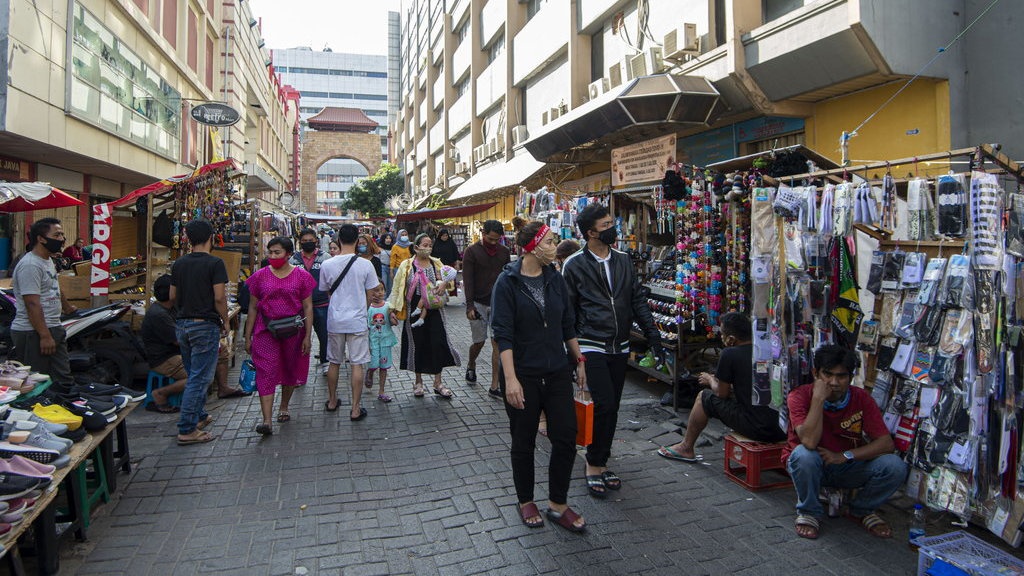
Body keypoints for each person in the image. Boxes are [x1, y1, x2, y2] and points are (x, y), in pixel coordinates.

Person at [491, 220, 588, 533]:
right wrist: (511, 379)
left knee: (566, 437)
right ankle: (525, 500)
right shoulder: (507, 283)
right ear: (532, 247)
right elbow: (502, 335)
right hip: (524, 374)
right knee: (524, 440)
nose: (554, 248)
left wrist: (579, 358)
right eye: (549, 243)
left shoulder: (555, 278)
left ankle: (558, 504)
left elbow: (567, 324)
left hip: (557, 371)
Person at [562, 203, 663, 498]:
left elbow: (637, 300)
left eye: (612, 223)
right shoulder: (574, 264)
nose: (613, 228)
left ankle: (601, 459)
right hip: (591, 343)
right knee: (603, 404)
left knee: (613, 406)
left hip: (619, 345)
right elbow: (567, 314)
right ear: (591, 232)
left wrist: (653, 335)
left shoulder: (622, 260)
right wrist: (573, 355)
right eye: (607, 225)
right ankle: (593, 463)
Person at [785, 345, 908, 540]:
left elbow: (886, 444)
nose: (834, 382)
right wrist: (818, 399)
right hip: (811, 465)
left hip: (845, 464)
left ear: (850, 377)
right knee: (803, 455)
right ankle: (809, 512)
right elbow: (809, 441)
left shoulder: (861, 398)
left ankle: (861, 510)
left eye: (841, 376)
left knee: (895, 466)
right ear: (816, 373)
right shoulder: (799, 396)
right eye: (827, 374)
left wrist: (844, 456)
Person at [656, 312, 784, 462]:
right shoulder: (767, 349)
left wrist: (710, 379)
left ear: (731, 339)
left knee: (704, 397)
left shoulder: (730, 353)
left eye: (722, 334)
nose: (720, 337)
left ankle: (686, 447)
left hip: (758, 427)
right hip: (780, 427)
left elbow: (721, 393)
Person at [243, 237, 316, 435]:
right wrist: (247, 336)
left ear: (289, 254)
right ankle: (266, 420)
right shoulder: (259, 276)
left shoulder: (301, 276)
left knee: (290, 368)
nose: (273, 256)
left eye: (277, 252)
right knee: (265, 370)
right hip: (265, 331)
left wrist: (308, 336)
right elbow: (252, 307)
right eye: (270, 252)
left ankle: (284, 405)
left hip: (294, 331)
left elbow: (308, 306)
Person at [170, 220, 230, 446]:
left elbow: (173, 296)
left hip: (182, 325)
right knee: (199, 378)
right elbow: (219, 297)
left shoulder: (179, 264)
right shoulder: (215, 263)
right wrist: (225, 320)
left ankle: (200, 416)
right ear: (210, 238)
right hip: (204, 325)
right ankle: (186, 428)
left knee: (193, 373)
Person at [388, 233, 460, 398]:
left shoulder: (437, 263)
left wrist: (444, 284)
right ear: (416, 247)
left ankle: (438, 382)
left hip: (435, 310)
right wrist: (391, 309)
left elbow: (449, 280)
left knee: (437, 342)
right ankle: (418, 382)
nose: (427, 248)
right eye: (424, 245)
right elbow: (397, 288)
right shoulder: (406, 266)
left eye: (430, 245)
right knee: (417, 343)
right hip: (413, 309)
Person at [319, 224, 380, 420]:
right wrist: (362, 307)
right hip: (357, 320)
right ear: (357, 241)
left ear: (338, 241)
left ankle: (331, 400)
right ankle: (355, 408)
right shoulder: (365, 264)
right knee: (357, 364)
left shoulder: (327, 264)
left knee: (334, 362)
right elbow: (371, 293)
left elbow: (326, 290)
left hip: (335, 319)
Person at [10, 218, 76, 386]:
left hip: (52, 326)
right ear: (41, 239)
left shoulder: (47, 260)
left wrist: (67, 307)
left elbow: (54, 286)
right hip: (33, 332)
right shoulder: (30, 265)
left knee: (62, 378)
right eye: (57, 234)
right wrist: (45, 336)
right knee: (37, 382)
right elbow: (31, 303)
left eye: (62, 234)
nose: (62, 239)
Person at [538, 238, 582, 436]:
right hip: (561, 336)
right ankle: (544, 417)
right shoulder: (558, 275)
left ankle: (556, 417)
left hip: (571, 333)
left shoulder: (564, 273)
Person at [461, 220, 510, 395]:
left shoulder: (504, 252)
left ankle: (494, 385)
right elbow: (468, 281)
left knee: (497, 343)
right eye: (490, 239)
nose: (494, 242)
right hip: (478, 303)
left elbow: (507, 277)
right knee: (479, 342)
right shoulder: (471, 252)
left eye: (497, 239)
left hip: (498, 303)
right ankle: (471, 363)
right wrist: (469, 306)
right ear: (483, 234)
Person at [140, 275, 186, 413]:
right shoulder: (159, 314)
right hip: (164, 359)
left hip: (174, 353)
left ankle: (223, 388)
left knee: (219, 353)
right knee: (199, 376)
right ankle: (161, 394)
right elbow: (178, 340)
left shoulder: (171, 308)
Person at [291, 228, 330, 374]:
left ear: (316, 241)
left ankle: (325, 361)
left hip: (322, 303)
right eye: (305, 241)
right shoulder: (294, 259)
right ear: (300, 242)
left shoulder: (325, 257)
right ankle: (298, 368)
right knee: (299, 337)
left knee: (324, 334)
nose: (308, 243)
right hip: (300, 306)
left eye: (311, 241)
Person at [366, 282, 397, 403]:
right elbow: (366, 325)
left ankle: (381, 391)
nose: (379, 293)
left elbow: (394, 322)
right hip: (373, 342)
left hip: (385, 341)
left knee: (384, 367)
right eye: (375, 290)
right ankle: (370, 372)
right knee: (373, 364)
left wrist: (393, 318)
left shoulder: (389, 306)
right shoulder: (368, 308)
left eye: (381, 289)